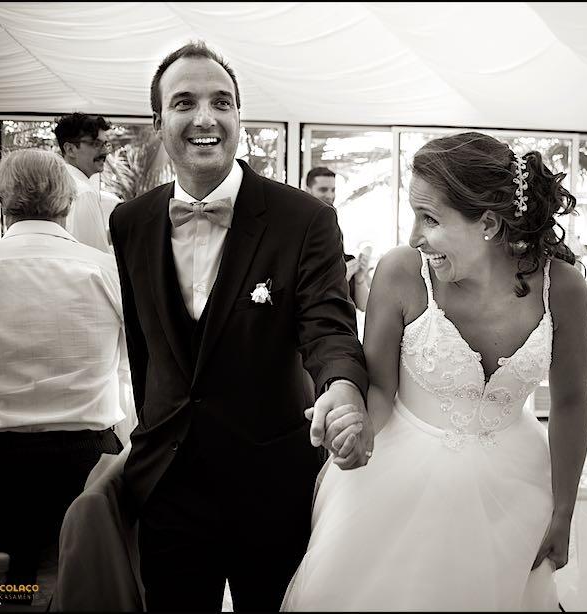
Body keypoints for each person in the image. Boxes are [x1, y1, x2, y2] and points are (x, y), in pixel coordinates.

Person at [108, 41, 370, 612]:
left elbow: (328, 325)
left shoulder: (304, 219)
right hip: (168, 485)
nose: (205, 118)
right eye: (184, 102)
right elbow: (144, 345)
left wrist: (343, 389)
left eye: (220, 102)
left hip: (271, 483)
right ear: (159, 122)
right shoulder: (129, 221)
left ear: (238, 118)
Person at [287, 132, 587, 610]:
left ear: (488, 223)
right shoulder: (401, 273)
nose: (413, 236)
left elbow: (571, 403)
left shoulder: (564, 287)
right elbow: (383, 388)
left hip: (516, 493)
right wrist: (359, 427)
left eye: (429, 218)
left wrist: (564, 511)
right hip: (398, 487)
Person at [0, 150, 131, 594]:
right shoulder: (105, 270)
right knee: (88, 587)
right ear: (68, 202)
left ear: (2, 201)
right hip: (88, 456)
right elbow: (127, 359)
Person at [304, 166, 370, 311]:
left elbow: (364, 306)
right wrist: (339, 278)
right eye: (323, 189)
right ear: (308, 190)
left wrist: (359, 277)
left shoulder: (342, 253)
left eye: (333, 190)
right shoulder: (299, 229)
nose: (330, 195)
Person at [55, 112, 115, 252]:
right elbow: (93, 256)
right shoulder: (83, 192)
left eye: (105, 144)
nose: (105, 152)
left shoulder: (58, 184)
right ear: (70, 149)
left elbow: (75, 243)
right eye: (96, 144)